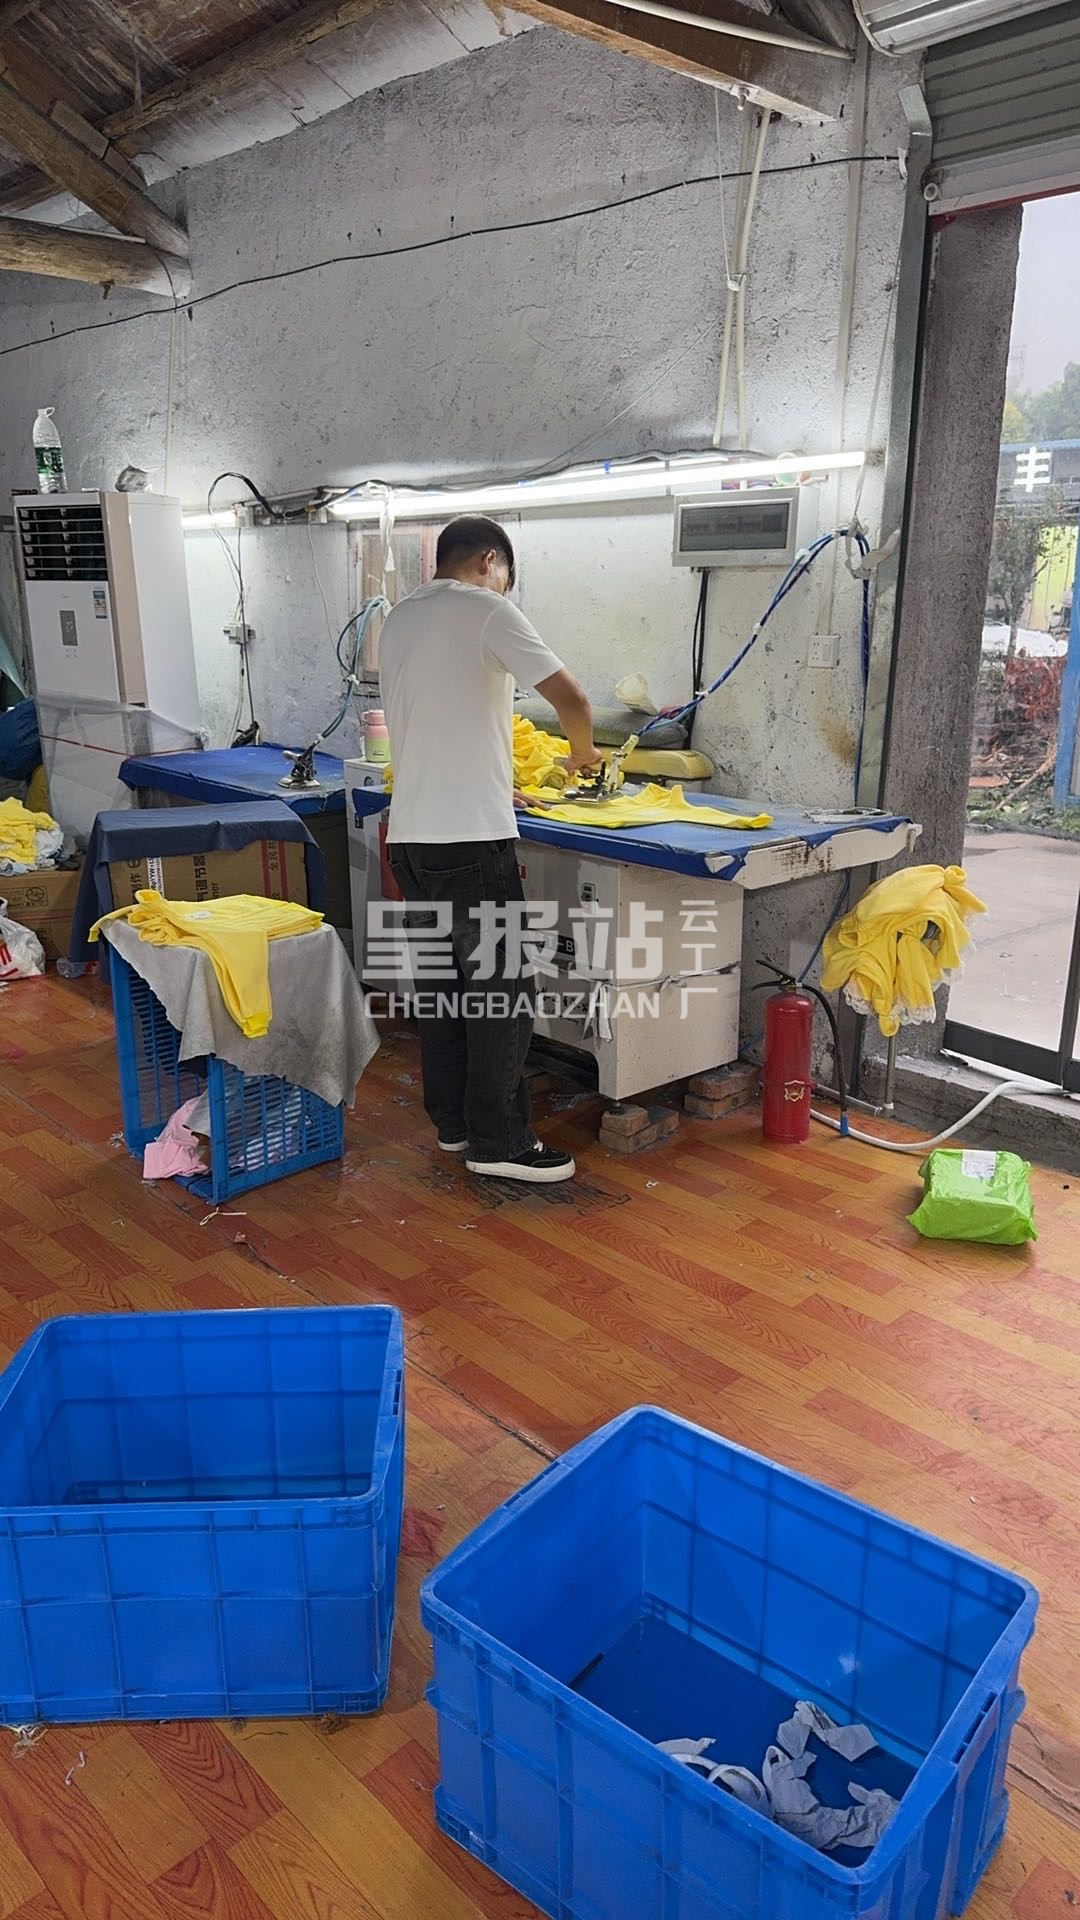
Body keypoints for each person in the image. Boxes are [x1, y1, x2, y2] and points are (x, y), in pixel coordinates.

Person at [379, 514, 601, 1183]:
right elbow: (572, 698)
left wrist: (496, 788)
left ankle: (454, 1124)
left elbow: (441, 722)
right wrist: (583, 757)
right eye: (506, 576)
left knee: (444, 988)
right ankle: (499, 1141)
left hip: (412, 839)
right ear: (488, 561)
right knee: (503, 992)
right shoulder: (486, 609)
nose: (505, 587)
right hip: (470, 846)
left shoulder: (401, 617)